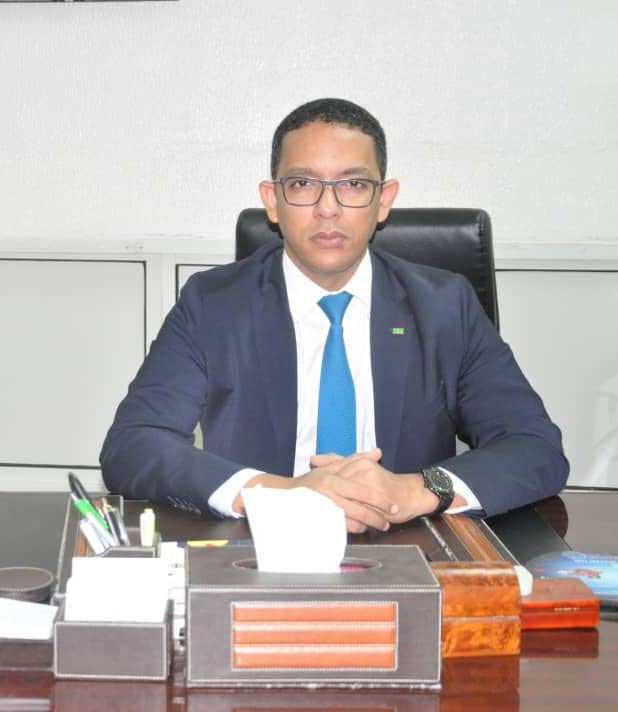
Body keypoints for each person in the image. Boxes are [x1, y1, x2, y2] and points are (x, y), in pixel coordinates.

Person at [100, 98, 569, 532]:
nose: (328, 209)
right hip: (261, 546)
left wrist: (414, 490)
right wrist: (276, 494)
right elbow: (134, 444)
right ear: (273, 200)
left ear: (384, 200)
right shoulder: (214, 303)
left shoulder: (444, 305)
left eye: (353, 184)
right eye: (303, 184)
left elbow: (534, 446)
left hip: (406, 542)